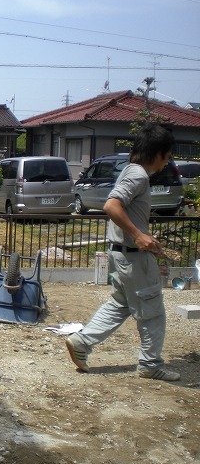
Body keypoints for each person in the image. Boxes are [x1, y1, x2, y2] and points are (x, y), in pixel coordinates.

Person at [66, 123, 180, 381]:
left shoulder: (131, 171)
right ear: (159, 153)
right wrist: (139, 235)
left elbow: (122, 209)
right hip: (133, 258)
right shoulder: (138, 175)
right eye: (168, 155)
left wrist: (142, 235)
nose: (168, 161)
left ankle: (82, 342)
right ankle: (150, 365)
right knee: (153, 314)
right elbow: (111, 205)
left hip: (123, 255)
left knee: (120, 304)